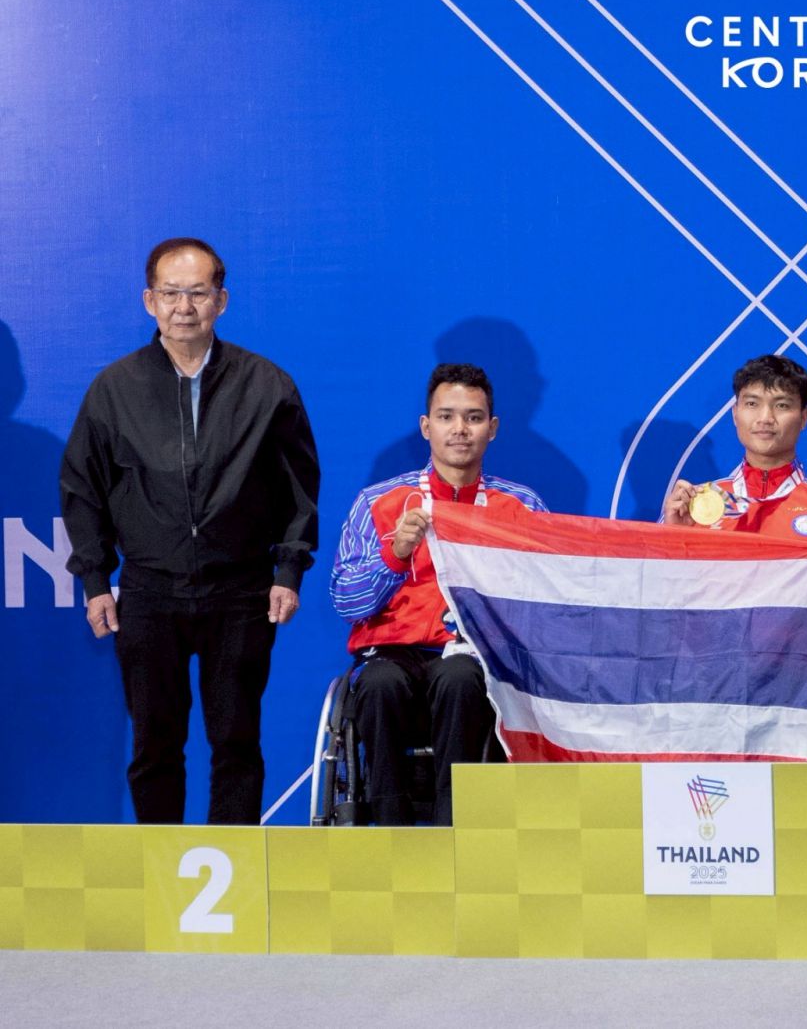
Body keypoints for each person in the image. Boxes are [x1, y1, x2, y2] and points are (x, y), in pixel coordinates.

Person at [60, 237, 320, 824]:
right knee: (154, 746)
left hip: (241, 591)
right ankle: (161, 870)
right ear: (149, 300)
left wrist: (288, 569)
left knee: (237, 744)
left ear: (221, 301)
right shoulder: (114, 389)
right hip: (150, 592)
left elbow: (298, 487)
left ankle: (235, 867)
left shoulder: (266, 385)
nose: (184, 307)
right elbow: (82, 490)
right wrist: (96, 580)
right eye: (171, 293)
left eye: (198, 293)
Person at [331, 364, 547, 825]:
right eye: (447, 417)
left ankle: (457, 828)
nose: (460, 429)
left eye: (473, 418)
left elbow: (552, 601)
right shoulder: (378, 502)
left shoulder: (522, 508)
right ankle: (389, 827)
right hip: (394, 653)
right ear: (426, 426)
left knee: (460, 677)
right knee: (378, 684)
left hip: (479, 657)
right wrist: (395, 555)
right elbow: (347, 602)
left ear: (493, 428)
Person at [662, 354, 807, 681]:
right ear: (735, 413)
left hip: (805, 686)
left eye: (782, 405)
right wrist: (674, 542)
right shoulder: (695, 505)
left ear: (804, 417)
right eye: (752, 404)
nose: (765, 418)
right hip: (708, 681)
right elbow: (658, 617)